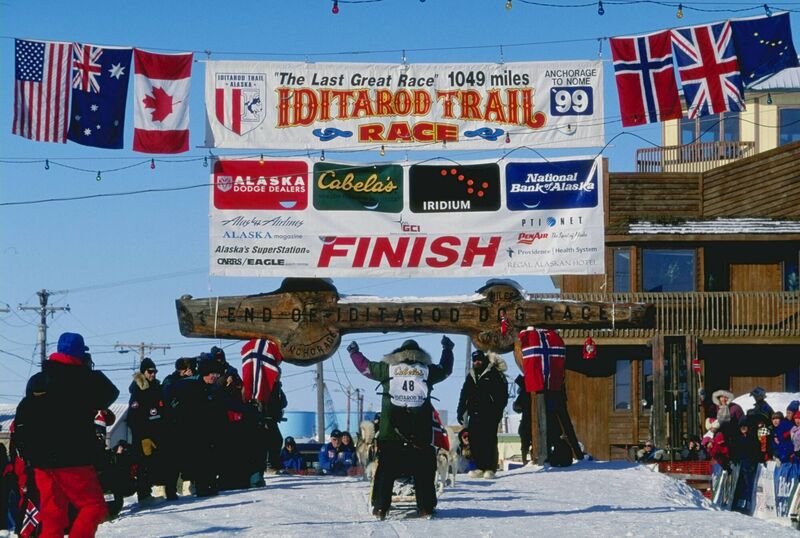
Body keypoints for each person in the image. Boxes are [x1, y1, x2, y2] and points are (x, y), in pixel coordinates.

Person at [13, 332, 119, 538]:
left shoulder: (39, 379)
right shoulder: (82, 378)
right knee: (94, 507)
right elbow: (110, 392)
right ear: (81, 354)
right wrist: (87, 369)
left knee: (53, 514)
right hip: (73, 458)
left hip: (41, 460)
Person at [348, 336, 454, 520]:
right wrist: (448, 349)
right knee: (424, 471)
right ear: (420, 355)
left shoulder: (388, 369)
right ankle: (426, 508)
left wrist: (354, 352)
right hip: (420, 433)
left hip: (391, 433)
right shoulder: (426, 371)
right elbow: (445, 370)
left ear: (398, 355)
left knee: (385, 472)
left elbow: (365, 367)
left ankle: (381, 508)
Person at [171, 359, 227, 497]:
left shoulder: (214, 389)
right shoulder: (190, 386)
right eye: (213, 374)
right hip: (192, 432)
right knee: (196, 460)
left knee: (210, 459)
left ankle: (209, 485)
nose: (215, 377)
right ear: (206, 374)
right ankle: (197, 487)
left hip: (209, 432)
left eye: (217, 375)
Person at [457, 349, 508, 479]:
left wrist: (498, 411)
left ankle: (490, 468)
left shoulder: (493, 374)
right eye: (475, 360)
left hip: (490, 414)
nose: (477, 362)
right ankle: (479, 467)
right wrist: (460, 410)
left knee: (489, 440)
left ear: (484, 359)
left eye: (479, 359)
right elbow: (464, 394)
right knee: (475, 440)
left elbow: (502, 395)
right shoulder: (471, 375)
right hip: (474, 413)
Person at [128, 357, 169, 504]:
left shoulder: (156, 388)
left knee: (153, 466)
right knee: (143, 466)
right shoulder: (138, 391)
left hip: (157, 433)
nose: (153, 374)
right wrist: (143, 437)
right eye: (150, 371)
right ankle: (144, 496)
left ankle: (150, 493)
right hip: (144, 437)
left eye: (155, 371)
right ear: (143, 372)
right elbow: (133, 418)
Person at [512, 374, 532, 465]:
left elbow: (517, 407)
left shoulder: (525, 392)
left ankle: (525, 459)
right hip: (527, 420)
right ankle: (526, 459)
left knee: (525, 440)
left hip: (527, 421)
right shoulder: (525, 391)